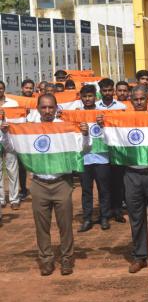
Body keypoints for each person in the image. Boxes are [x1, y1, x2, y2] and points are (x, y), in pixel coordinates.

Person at [1, 93, 90, 275]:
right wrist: (4, 134)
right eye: (44, 107)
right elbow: (11, 148)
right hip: (39, 184)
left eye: (51, 107)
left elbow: (84, 148)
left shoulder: (66, 128)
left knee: (65, 225)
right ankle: (46, 260)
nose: (47, 111)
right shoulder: (30, 129)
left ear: (56, 108)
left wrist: (86, 135)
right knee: (42, 226)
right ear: (38, 109)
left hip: (62, 183)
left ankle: (66, 260)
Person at [97, 85, 148, 273]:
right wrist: (104, 125)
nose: (139, 102)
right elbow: (109, 140)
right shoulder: (123, 119)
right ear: (131, 101)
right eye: (136, 100)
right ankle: (139, 256)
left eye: (142, 99)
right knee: (136, 216)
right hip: (131, 173)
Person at [76, 85, 112, 232]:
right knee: (86, 190)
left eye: (90, 96)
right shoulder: (76, 115)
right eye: (84, 96)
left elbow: (111, 135)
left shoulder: (103, 114)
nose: (87, 99)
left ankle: (104, 217)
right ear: (81, 98)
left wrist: (103, 125)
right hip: (84, 158)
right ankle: (87, 219)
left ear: (95, 97)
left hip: (102, 157)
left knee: (104, 189)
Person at [96, 78, 127, 224]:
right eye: (104, 90)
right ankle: (105, 213)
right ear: (100, 91)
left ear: (113, 90)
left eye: (110, 90)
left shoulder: (121, 107)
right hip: (100, 151)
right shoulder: (95, 108)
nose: (107, 93)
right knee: (104, 184)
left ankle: (118, 211)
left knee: (118, 183)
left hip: (117, 151)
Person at [0, 81, 20, 211]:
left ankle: (14, 199)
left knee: (12, 170)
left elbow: (19, 123)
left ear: (4, 89)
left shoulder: (13, 104)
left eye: (1, 88)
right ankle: (1, 200)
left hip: (10, 141)